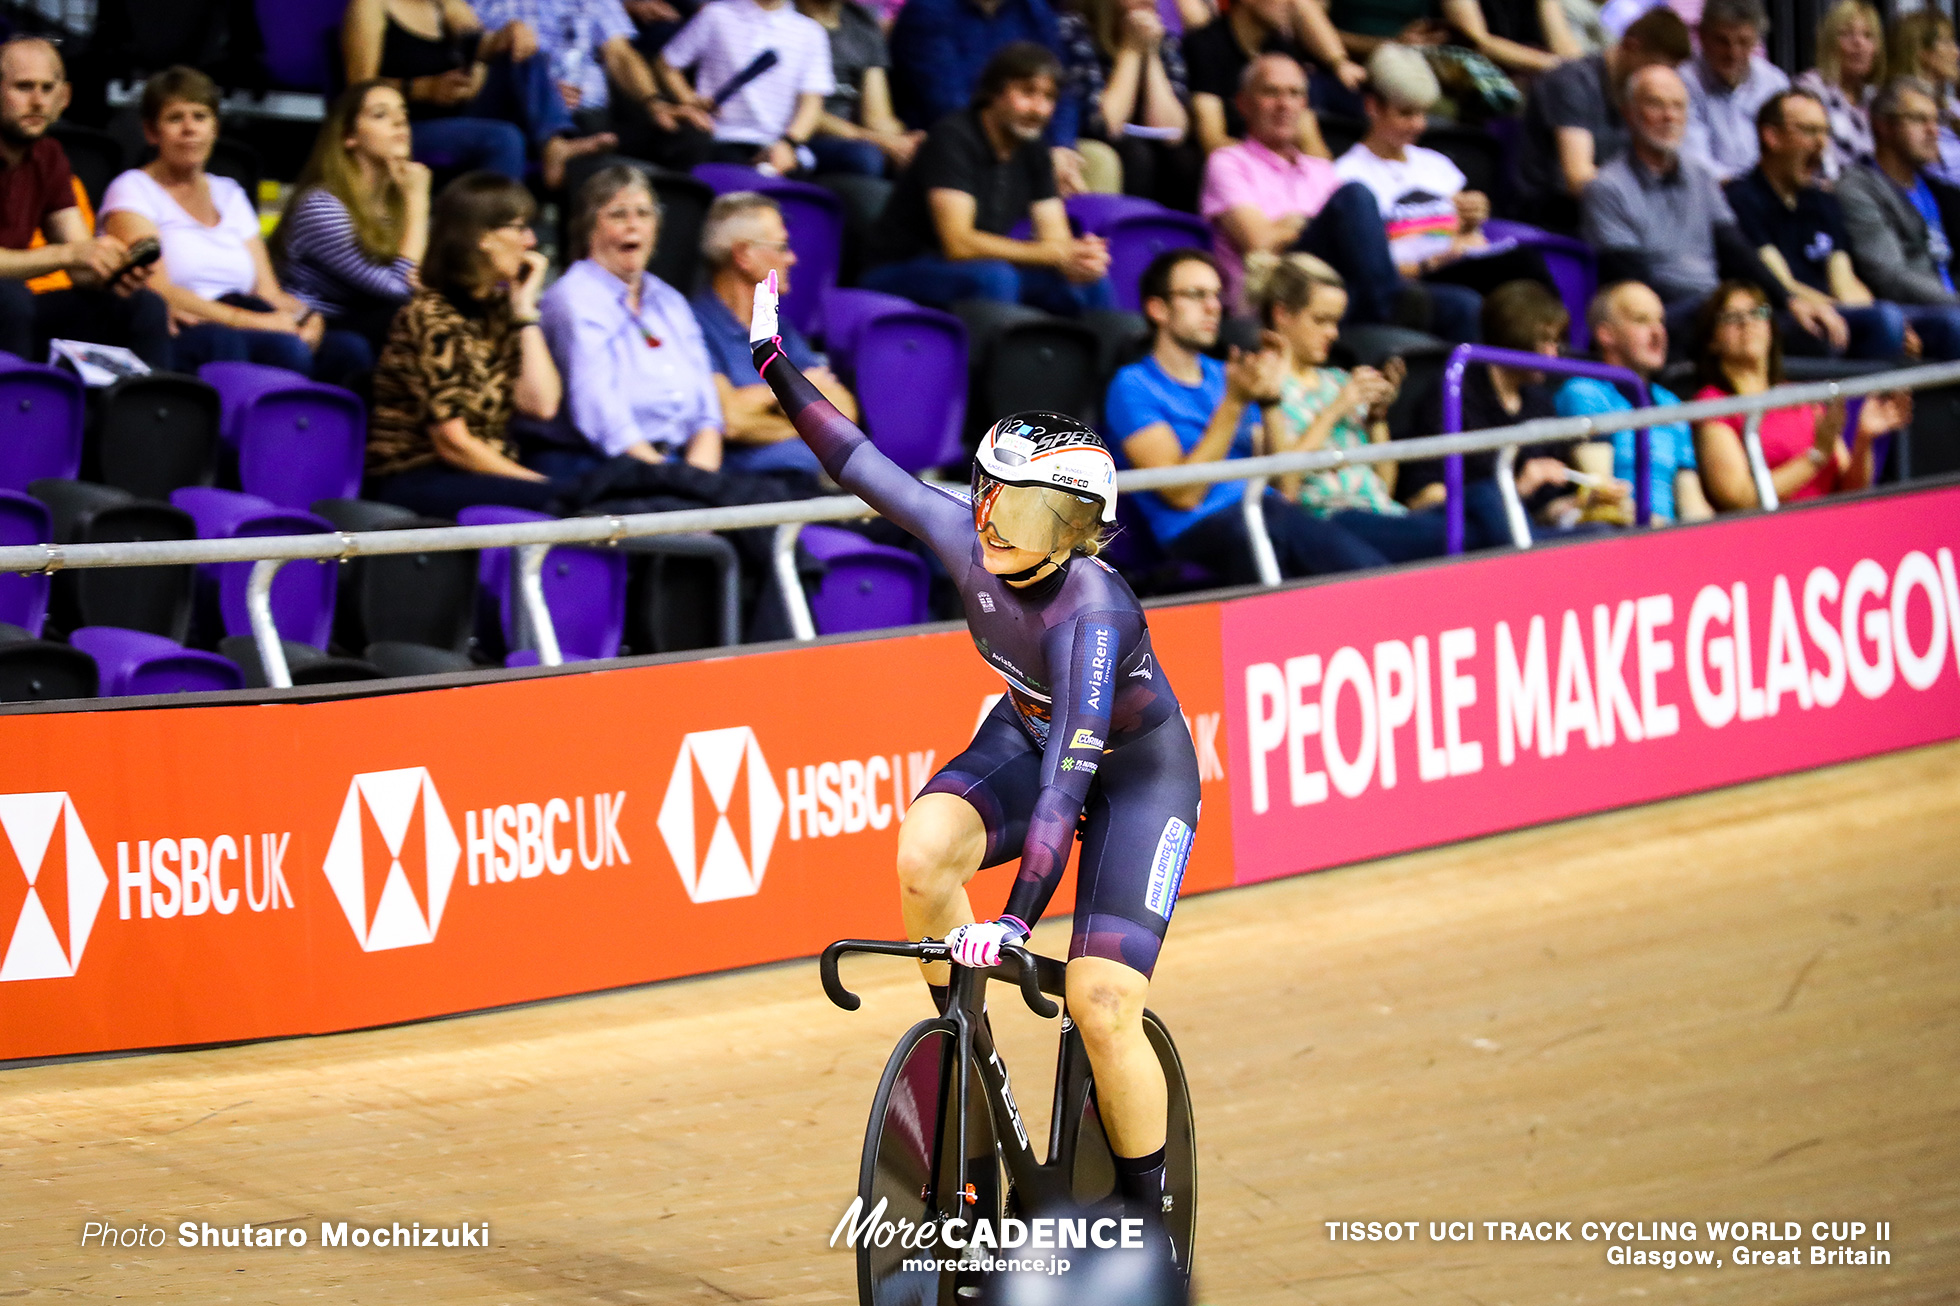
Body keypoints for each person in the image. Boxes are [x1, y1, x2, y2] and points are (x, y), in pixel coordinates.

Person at [751, 267, 1203, 1243]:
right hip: (1027, 731)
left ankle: (1148, 1216)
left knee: (1100, 998)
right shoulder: (965, 536)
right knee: (920, 856)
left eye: (1024, 509)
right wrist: (773, 361)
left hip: (1130, 777)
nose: (993, 518)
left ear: (1075, 529)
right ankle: (970, 1065)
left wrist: (1013, 919)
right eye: (991, 494)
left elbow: (1069, 782)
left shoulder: (1092, 610)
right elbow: (859, 463)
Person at [1106, 248, 1388, 580]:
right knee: (1359, 573)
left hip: (1269, 511)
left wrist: (1269, 402)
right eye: (1196, 295)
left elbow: (1286, 486)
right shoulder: (1133, 385)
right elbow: (1182, 495)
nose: (1213, 306)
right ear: (1157, 309)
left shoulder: (1223, 373)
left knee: (1373, 565)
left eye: (1215, 295)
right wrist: (1234, 403)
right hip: (1200, 527)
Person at [101, 68, 366, 382]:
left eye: (200, 117)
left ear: (215, 128)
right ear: (151, 132)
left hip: (246, 317)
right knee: (275, 349)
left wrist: (308, 317)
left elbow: (268, 291)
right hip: (188, 329)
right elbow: (160, 291)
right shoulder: (133, 189)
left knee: (350, 350)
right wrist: (253, 322)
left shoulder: (229, 192)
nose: (189, 129)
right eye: (175, 119)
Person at [1201, 53, 1475, 339]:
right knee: (1356, 196)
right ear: (1243, 103)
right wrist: (1312, 224)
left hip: (1338, 297)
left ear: (1304, 106)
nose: (1284, 104)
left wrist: (1295, 222)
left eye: (1294, 94)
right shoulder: (1228, 161)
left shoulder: (1320, 168)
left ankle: (1454, 372)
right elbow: (1260, 242)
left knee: (1464, 306)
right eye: (1271, 93)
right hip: (1276, 299)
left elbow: (1353, 240)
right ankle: (1388, 308)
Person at [1581, 65, 1842, 357]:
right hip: (1666, 316)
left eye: (1678, 106)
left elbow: (1736, 250)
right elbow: (1629, 278)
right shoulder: (1607, 187)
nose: (1669, 116)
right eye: (1656, 105)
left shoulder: (1700, 176)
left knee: (1813, 332)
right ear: (1629, 113)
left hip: (1716, 306)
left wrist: (1790, 301)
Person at [366, 172, 567, 517]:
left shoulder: (500, 312)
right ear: (483, 238)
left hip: (478, 471)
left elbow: (542, 405)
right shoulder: (429, 316)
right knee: (567, 500)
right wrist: (537, 484)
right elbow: (452, 443)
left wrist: (524, 312)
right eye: (519, 227)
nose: (531, 240)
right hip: (418, 477)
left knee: (595, 493)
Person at [862, 43, 1114, 315]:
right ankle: (993, 358)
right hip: (899, 270)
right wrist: (1058, 254)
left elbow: (1054, 238)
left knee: (1091, 283)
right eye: (1027, 93)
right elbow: (958, 244)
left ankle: (1111, 356)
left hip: (976, 267)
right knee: (996, 278)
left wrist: (1077, 259)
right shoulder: (953, 138)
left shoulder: (1034, 148)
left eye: (1049, 98)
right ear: (996, 92)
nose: (1039, 109)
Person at [1729, 87, 1960, 362]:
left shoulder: (1821, 201)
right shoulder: (1743, 198)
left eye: (1824, 132)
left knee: (1944, 325)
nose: (1820, 143)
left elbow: (1844, 280)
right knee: (1885, 321)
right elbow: (1781, 283)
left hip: (1838, 312)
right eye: (1808, 131)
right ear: (1772, 136)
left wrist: (1890, 322)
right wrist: (1862, 315)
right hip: (1785, 312)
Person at [1250, 251, 1452, 561]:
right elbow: (1285, 485)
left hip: (1381, 514)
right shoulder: (1259, 385)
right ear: (1282, 314)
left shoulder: (1337, 380)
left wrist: (1377, 417)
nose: (1333, 333)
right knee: (1466, 527)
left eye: (1336, 321)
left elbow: (1384, 485)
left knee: (1480, 501)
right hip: (1331, 522)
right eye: (1321, 320)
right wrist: (1336, 409)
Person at [538, 165, 723, 476]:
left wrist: (698, 477)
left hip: (678, 467)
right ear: (588, 228)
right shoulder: (574, 298)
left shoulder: (670, 301)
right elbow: (599, 414)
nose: (633, 225)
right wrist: (671, 480)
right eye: (618, 215)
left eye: (644, 213)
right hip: (600, 466)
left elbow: (707, 410)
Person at [1404, 279, 1619, 544]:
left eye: (1555, 342)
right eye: (1544, 341)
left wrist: (1577, 507)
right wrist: (1519, 487)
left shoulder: (1538, 404)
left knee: (1603, 533)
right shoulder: (1454, 394)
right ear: (1514, 335)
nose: (1553, 355)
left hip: (1524, 534)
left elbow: (1542, 513)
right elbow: (1424, 497)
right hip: (1472, 537)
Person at [0, 36, 169, 369]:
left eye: (48, 89)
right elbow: (70, 253)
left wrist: (112, 269)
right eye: (23, 87)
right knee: (11, 298)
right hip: (9, 303)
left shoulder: (48, 156)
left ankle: (140, 415)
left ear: (65, 98)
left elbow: (79, 254)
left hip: (15, 307)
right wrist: (71, 254)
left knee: (142, 306)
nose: (37, 101)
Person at [341, 0, 616, 186]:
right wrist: (423, 89)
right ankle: (490, 236)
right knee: (505, 138)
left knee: (521, 52)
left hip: (457, 112)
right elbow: (359, 90)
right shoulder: (370, 6)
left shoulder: (445, 5)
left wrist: (511, 32)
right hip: (407, 125)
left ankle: (553, 144)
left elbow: (482, 43)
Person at [1690, 279, 1905, 509]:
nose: (1747, 322)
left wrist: (1864, 439)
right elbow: (1740, 498)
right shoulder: (1713, 403)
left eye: (1757, 312)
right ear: (1712, 340)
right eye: (1732, 317)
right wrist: (1815, 457)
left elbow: (1852, 493)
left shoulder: (1801, 398)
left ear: (1770, 328)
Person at [269, 82, 430, 374]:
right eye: (380, 115)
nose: (399, 121)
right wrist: (418, 200)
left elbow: (425, 282)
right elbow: (400, 288)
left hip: (366, 322)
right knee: (409, 318)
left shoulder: (396, 206)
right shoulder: (322, 206)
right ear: (348, 136)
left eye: (402, 113)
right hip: (311, 328)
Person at [691, 191, 858, 473]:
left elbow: (844, 414)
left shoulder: (781, 329)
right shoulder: (695, 325)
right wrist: (792, 391)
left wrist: (755, 401)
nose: (792, 258)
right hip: (745, 496)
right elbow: (729, 419)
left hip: (806, 490)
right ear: (743, 255)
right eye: (781, 247)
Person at [471, 0, 714, 171]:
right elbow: (472, 56)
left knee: (687, 134)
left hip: (594, 117)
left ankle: (660, 232)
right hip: (520, 117)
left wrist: (655, 104)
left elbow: (619, 54)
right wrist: (542, 92)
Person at [887, 0, 1096, 196]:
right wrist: (1039, 157)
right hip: (956, 145)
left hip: (1026, 135)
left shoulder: (1033, 10)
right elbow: (947, 104)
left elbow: (1061, 88)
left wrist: (1061, 146)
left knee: (1098, 160)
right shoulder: (927, 12)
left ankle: (1080, 232)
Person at [1513, 5, 1691, 232]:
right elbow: (1578, 180)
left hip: (1604, 215)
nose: (1662, 79)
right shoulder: (1572, 83)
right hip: (1552, 218)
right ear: (1631, 47)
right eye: (1658, 66)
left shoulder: (1634, 92)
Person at [1554, 281, 1710, 525]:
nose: (1658, 332)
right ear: (1606, 335)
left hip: (1666, 541)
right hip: (1616, 541)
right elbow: (1607, 501)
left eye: (1660, 321)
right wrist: (1669, 533)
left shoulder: (1671, 404)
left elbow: (1692, 503)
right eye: (1641, 320)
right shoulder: (1585, 392)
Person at [654, 0, 836, 172]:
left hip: (778, 145)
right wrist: (689, 100)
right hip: (718, 137)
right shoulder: (716, 14)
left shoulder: (811, 32)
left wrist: (789, 143)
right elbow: (667, 64)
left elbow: (812, 102)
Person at [1836, 78, 1960, 325]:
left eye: (1935, 121)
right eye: (1918, 119)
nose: (1933, 131)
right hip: (1914, 314)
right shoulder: (1859, 188)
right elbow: (1890, 276)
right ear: (1884, 126)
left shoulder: (1941, 192)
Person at [1058, 0, 1202, 207]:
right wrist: (1132, 50)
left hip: (1138, 141)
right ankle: (1130, 234)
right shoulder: (1075, 29)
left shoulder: (1162, 38)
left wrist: (1151, 54)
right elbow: (1105, 125)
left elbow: (1173, 131)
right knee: (1136, 155)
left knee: (1184, 159)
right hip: (1085, 138)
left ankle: (1175, 236)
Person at [1182, 0, 1352, 154]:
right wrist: (1272, 166)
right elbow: (1212, 139)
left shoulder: (1285, 51)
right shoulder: (1205, 45)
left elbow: (1311, 141)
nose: (1292, 4)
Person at [796, 0, 923, 176]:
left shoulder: (862, 21)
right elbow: (797, 110)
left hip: (856, 138)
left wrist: (906, 143)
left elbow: (877, 117)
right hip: (802, 136)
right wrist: (878, 140)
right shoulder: (787, 17)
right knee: (864, 157)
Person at [1680, 0, 1788, 182]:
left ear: (1757, 41)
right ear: (1702, 37)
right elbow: (1694, 161)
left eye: (1744, 42)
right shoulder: (1683, 82)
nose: (1733, 53)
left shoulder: (1774, 82)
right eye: (1722, 41)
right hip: (1710, 196)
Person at [1794, 0, 1883, 183]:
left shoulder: (1875, 98)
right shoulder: (1810, 90)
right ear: (1829, 43)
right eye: (1846, 34)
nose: (1859, 43)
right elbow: (1819, 165)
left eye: (1868, 36)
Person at [1885, 8, 1960, 186]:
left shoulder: (1951, 107)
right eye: (1947, 42)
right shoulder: (1896, 108)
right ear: (1922, 51)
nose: (1956, 52)